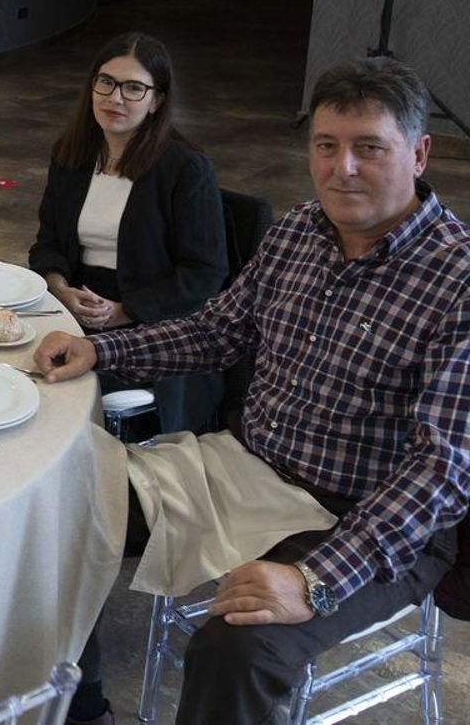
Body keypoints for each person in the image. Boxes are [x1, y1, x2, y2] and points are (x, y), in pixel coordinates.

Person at [34, 56, 470, 725]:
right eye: (326, 145)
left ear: (419, 152)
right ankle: (80, 707)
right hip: (245, 467)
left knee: (237, 649)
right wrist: (101, 347)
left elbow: (442, 470)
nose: (340, 168)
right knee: (54, 505)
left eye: (368, 148)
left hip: (366, 516)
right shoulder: (299, 231)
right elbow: (217, 332)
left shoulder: (457, 279)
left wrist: (315, 580)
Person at [28, 32, 227, 433]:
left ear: (157, 101)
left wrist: (124, 310)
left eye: (133, 88)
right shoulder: (72, 155)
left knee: (56, 397)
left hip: (151, 318)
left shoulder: (184, 168)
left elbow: (205, 272)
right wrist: (60, 287)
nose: (114, 98)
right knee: (9, 360)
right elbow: (48, 239)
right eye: (106, 82)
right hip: (76, 302)